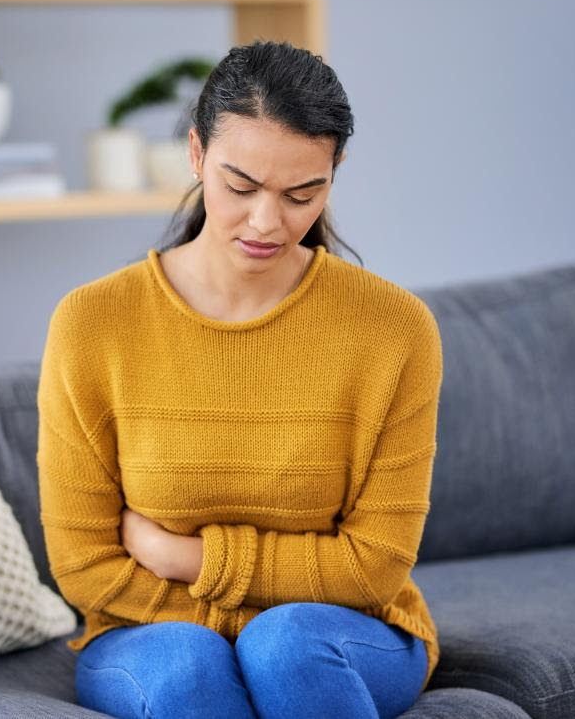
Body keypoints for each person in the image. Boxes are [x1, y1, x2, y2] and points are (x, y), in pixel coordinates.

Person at [36, 39, 443, 719]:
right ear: (196, 155)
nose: (265, 222)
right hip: (146, 633)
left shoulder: (394, 330)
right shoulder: (93, 324)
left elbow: (374, 566)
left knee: (286, 647)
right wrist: (233, 632)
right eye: (240, 186)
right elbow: (84, 565)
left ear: (334, 171)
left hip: (345, 631)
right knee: (190, 665)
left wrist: (186, 557)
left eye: (301, 194)